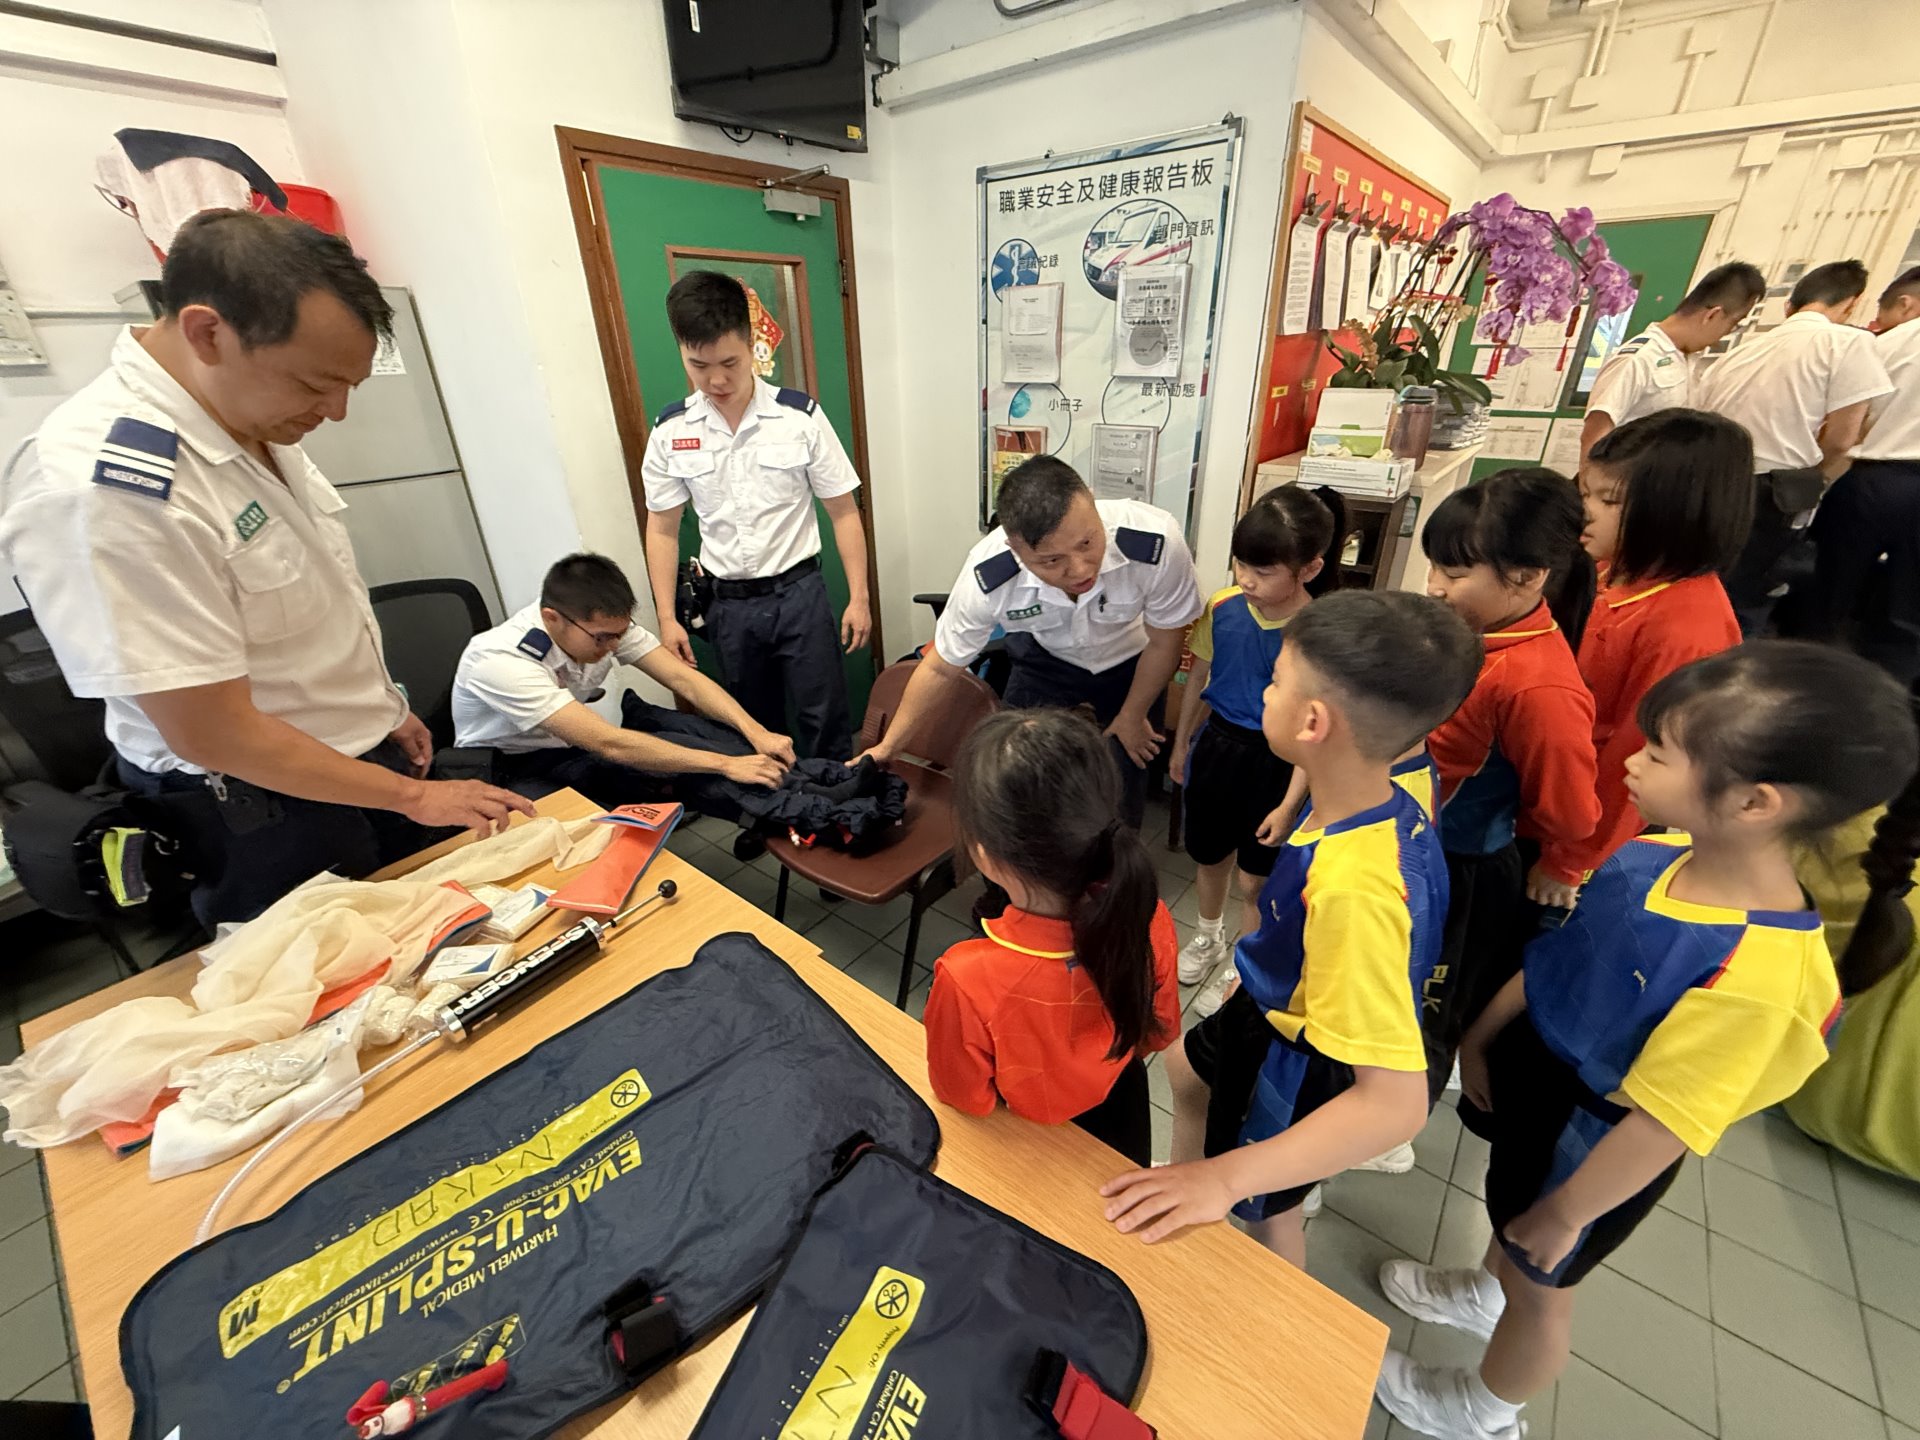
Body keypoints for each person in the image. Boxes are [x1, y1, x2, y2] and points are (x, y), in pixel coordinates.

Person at [1373, 642, 1918, 1440]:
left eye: (1659, 752)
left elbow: (1663, 1124)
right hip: (1540, 1074)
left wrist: (1568, 1216)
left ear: (1755, 802)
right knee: (1510, 1218)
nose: (1630, 761)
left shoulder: (1755, 974)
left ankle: (1482, 1411)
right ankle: (1487, 1287)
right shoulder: (1658, 852)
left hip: (1595, 1147)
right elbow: (1565, 955)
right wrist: (1484, 1035)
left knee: (1543, 1287)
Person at [0, 210, 532, 927]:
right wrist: (413, 796)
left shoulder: (243, 416)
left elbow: (307, 607)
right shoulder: (103, 489)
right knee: (340, 979)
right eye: (316, 384)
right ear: (207, 333)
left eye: (349, 385)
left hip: (357, 767)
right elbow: (209, 732)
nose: (335, 412)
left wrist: (380, 709)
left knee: (442, 941)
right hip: (261, 810)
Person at [1099, 591, 1483, 1266]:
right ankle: (1190, 1198)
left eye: (1275, 681)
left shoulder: (1358, 887)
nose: (1264, 692)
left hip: (1299, 1055)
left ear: (1312, 722)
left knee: (1270, 1212)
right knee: (1186, 1068)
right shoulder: (1371, 795)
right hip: (1270, 1003)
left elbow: (1394, 1105)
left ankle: (1235, 1246)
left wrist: (1226, 1179)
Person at [864, 456, 1204, 828]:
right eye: (1052, 560)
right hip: (1045, 662)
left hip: (1134, 664)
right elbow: (940, 668)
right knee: (1013, 779)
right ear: (1015, 548)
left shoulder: (1155, 541)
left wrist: (1133, 714)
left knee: (1121, 790)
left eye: (1087, 543)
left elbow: (1165, 642)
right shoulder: (988, 576)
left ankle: (1115, 859)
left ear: (1092, 501)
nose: (1080, 569)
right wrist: (889, 746)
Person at [922, 708, 1183, 1166]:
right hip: (1123, 1102)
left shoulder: (966, 978)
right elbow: (1159, 1032)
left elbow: (965, 1096)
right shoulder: (1149, 916)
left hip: (1028, 1141)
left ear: (985, 856)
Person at [639, 270, 871, 760]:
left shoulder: (799, 418)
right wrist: (667, 619)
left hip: (800, 594)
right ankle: (777, 807)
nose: (716, 380)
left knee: (824, 717)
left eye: (730, 362)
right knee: (753, 725)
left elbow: (844, 512)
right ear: (682, 353)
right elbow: (661, 529)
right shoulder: (671, 431)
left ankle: (834, 801)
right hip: (730, 606)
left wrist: (860, 597)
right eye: (699, 365)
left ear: (752, 345)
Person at [1421, 468, 1600, 1085]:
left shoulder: (1538, 686)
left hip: (1464, 870)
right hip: (1423, 847)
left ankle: (1396, 1112)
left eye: (1453, 574)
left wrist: (1558, 859)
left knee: (1426, 1011)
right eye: (1435, 567)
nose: (1434, 586)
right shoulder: (1476, 634)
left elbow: (1571, 811)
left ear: (1526, 576)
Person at [1539, 410, 1752, 890]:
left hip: (1588, 829)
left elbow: (1635, 759)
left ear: (1674, 511)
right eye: (1586, 493)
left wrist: (1571, 861)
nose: (1586, 512)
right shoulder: (1607, 569)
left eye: (1609, 500)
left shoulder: (1686, 627)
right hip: (1553, 792)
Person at [450, 552, 795, 816]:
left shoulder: (604, 628)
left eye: (620, 633)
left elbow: (684, 680)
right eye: (602, 638)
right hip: (506, 771)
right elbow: (608, 743)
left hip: (567, 752)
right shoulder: (500, 660)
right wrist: (725, 764)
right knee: (600, 835)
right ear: (552, 618)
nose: (613, 646)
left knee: (700, 763)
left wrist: (756, 732)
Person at [1167, 485, 1343, 999]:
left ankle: (1243, 965)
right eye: (1241, 564)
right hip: (1218, 746)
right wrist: (1182, 744)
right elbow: (1199, 674)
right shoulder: (1223, 605)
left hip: (1281, 761)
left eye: (1263, 571)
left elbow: (1314, 730)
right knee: (1208, 856)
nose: (1246, 578)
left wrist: (1289, 804)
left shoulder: (1317, 630)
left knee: (1256, 879)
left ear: (1309, 569)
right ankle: (1208, 936)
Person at [1699, 258, 1893, 632]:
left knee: (1709, 592)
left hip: (1712, 487)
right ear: (1852, 304)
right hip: (1775, 494)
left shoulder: (1740, 351)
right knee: (1746, 604)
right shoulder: (1847, 342)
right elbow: (1842, 438)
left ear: (1789, 305)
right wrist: (1817, 476)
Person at [1799, 265, 1920, 680]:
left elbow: (1852, 422)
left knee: (1830, 598)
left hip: (1875, 482)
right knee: (1906, 619)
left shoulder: (1892, 343)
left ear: (1905, 304)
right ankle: (1889, 702)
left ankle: (1809, 682)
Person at [1578, 260, 1765, 464]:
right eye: (1733, 324)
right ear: (1712, 315)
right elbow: (1594, 436)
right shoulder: (1640, 357)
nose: (1725, 335)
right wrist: (1592, 484)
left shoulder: (1687, 359)